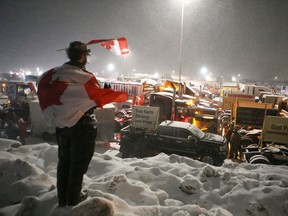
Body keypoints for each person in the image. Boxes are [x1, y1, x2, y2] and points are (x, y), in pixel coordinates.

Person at [36, 41, 128, 207]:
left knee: (64, 162)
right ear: (83, 56)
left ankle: (62, 198)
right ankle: (73, 199)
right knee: (78, 164)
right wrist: (104, 93)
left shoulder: (53, 74)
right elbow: (94, 100)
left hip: (62, 126)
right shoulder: (85, 78)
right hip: (82, 126)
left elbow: (60, 95)